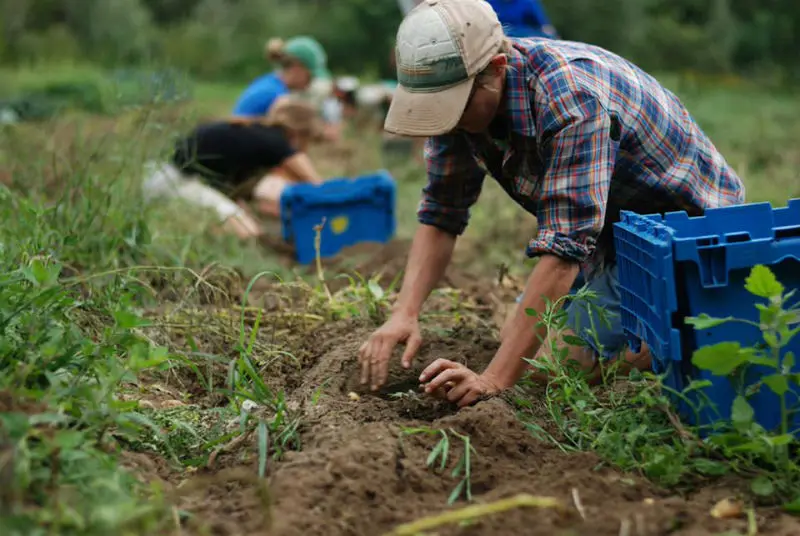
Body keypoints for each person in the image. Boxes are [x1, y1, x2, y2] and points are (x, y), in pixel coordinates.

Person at [357, 0, 745, 406]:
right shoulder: (464, 105)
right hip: (608, 234)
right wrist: (404, 313)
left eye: (456, 104)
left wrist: (493, 380)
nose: (448, 120)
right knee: (516, 342)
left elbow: (564, 250)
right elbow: (442, 211)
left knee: (549, 368)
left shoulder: (570, 100)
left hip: (680, 235)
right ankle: (641, 332)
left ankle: (678, 335)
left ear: (496, 69)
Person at [143, 97, 324, 240]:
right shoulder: (276, 143)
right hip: (173, 183)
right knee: (248, 232)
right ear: (300, 132)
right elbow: (316, 184)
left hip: (163, 176)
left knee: (248, 222)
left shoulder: (256, 132)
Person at [233, 36, 329, 118]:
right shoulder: (276, 96)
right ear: (296, 67)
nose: (310, 83)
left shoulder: (269, 83)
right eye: (310, 76)